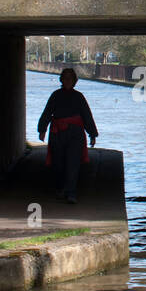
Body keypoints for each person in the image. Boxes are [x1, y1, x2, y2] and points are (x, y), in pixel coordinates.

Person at [37, 68, 99, 203]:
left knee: (73, 162)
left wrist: (92, 134)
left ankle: (71, 192)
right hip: (57, 133)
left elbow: (87, 116)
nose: (68, 81)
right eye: (65, 78)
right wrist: (42, 129)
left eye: (70, 78)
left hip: (75, 134)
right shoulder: (55, 95)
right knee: (58, 163)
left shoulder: (79, 97)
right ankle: (61, 188)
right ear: (61, 80)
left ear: (75, 81)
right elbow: (47, 112)